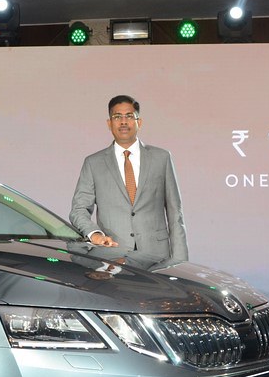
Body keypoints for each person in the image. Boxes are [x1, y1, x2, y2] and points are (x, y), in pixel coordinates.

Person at [70, 94, 188, 261]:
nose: (123, 122)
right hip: (111, 255)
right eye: (117, 117)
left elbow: (175, 213)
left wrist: (180, 261)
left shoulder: (161, 158)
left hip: (156, 255)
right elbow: (79, 209)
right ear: (109, 123)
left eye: (129, 116)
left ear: (139, 122)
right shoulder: (93, 163)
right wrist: (94, 234)